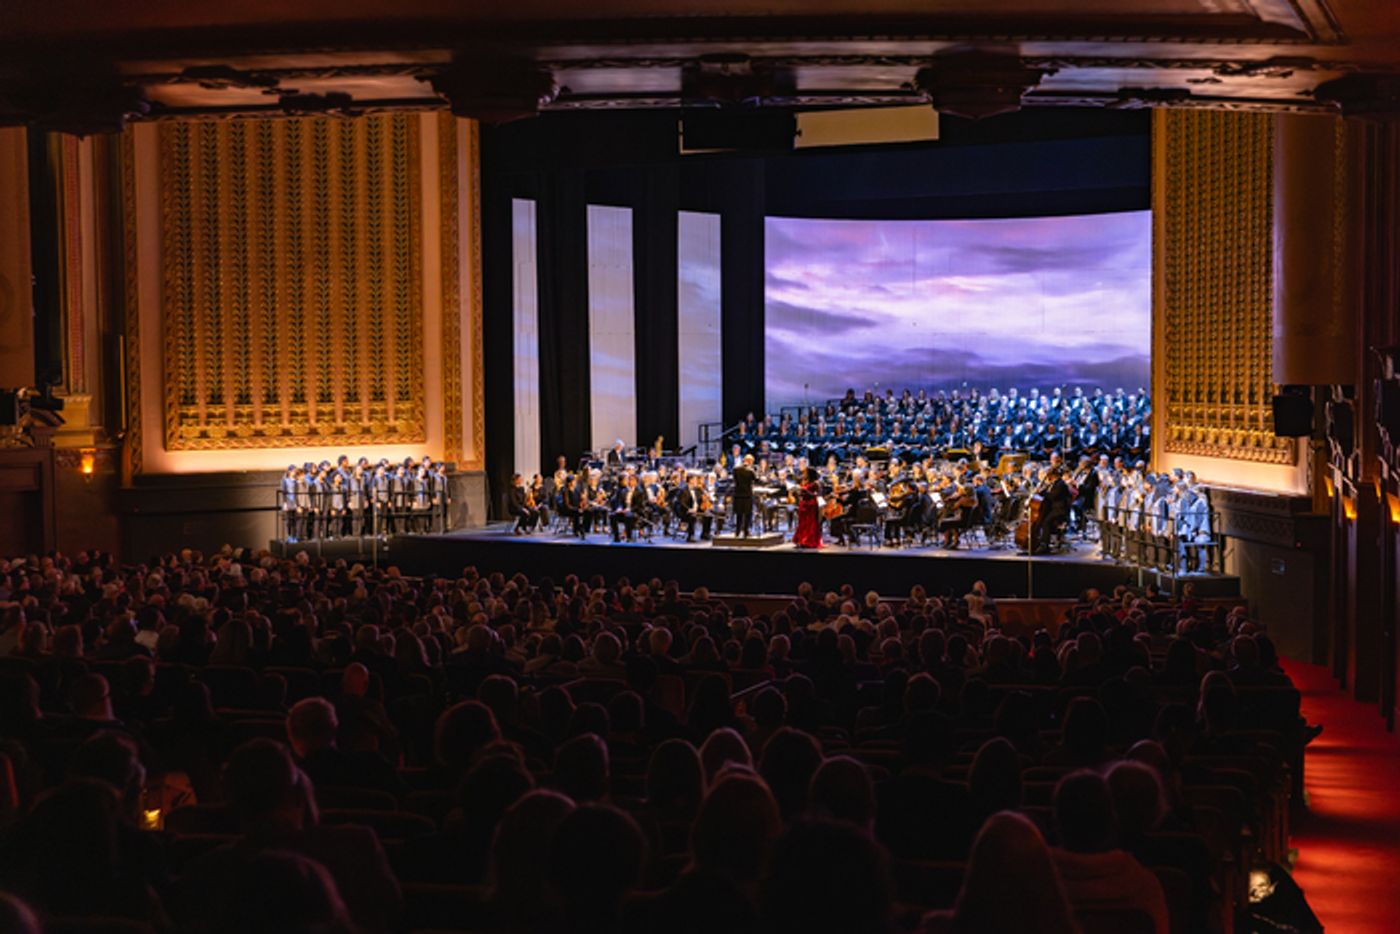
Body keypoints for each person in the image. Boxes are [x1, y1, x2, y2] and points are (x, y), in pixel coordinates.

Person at [792, 467, 822, 549]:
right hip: (803, 503)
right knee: (802, 522)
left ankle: (809, 541)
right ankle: (801, 540)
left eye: (805, 472)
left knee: (810, 523)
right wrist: (797, 492)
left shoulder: (816, 483)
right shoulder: (803, 481)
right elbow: (801, 493)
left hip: (811, 504)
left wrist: (809, 493)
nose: (803, 474)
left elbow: (819, 495)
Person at [733, 454, 756, 538]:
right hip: (747, 495)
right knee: (747, 514)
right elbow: (756, 480)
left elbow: (735, 480)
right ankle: (746, 532)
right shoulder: (750, 471)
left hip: (738, 495)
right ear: (750, 461)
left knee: (739, 514)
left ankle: (737, 532)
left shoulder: (735, 469)